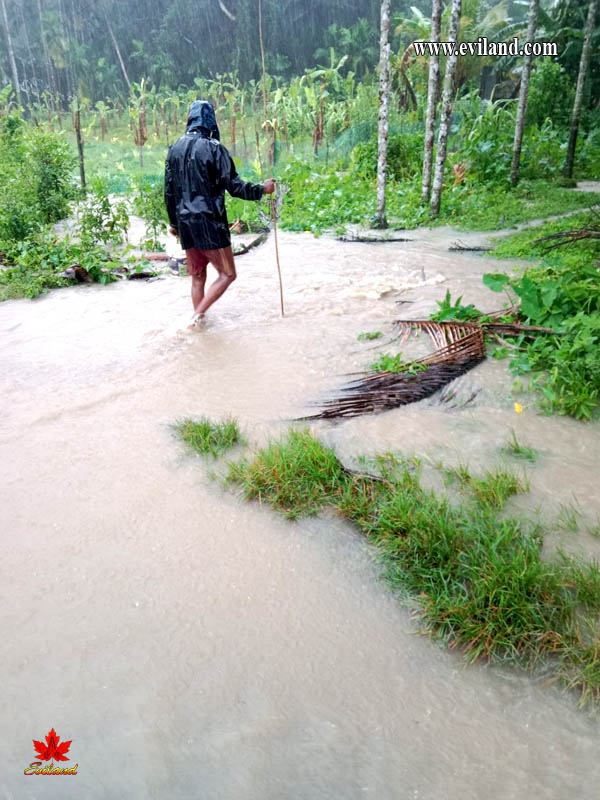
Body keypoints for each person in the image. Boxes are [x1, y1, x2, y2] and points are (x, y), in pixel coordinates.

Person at [164, 99, 275, 327]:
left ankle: (199, 324)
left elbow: (169, 191)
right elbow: (234, 187)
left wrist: (175, 223)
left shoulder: (174, 149)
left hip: (185, 223)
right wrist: (262, 189)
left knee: (197, 277)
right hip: (210, 224)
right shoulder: (215, 149)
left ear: (190, 120)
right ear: (211, 122)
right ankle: (195, 318)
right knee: (228, 274)